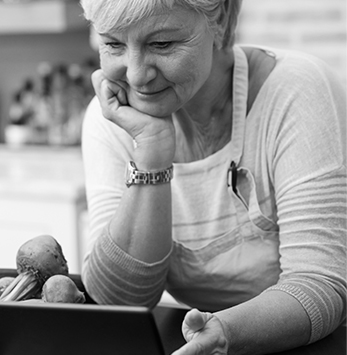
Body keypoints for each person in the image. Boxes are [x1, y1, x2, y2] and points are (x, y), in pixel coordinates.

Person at [78, 0, 346, 354]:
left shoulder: (296, 90)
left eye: (161, 45)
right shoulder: (110, 117)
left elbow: (320, 284)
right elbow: (119, 303)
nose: (136, 75)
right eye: (113, 44)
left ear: (217, 19)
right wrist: (153, 151)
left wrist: (224, 332)